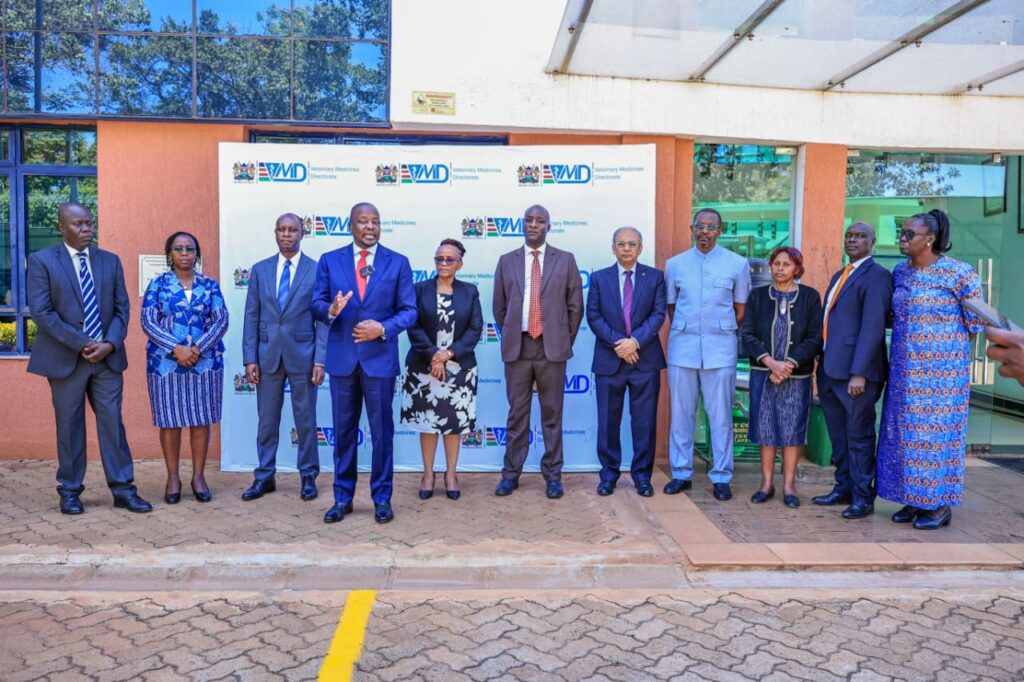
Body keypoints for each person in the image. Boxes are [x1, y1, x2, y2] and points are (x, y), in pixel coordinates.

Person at [26, 202, 152, 515]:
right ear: (61, 226)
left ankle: (123, 489)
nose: (86, 229)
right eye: (78, 224)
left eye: (89, 223)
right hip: (66, 359)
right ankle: (70, 491)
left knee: (112, 425)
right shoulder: (42, 261)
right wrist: (82, 342)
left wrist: (109, 343)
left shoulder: (110, 261)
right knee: (69, 428)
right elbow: (42, 312)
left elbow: (122, 309)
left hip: (107, 361)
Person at [876, 209, 984, 530]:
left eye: (909, 233)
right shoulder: (901, 271)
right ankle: (914, 498)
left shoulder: (959, 273)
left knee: (935, 439)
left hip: (942, 377)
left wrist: (940, 346)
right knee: (904, 436)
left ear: (930, 239)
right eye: (901, 231)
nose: (902, 237)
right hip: (904, 372)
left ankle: (938, 506)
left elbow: (977, 321)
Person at [311, 202, 417, 524]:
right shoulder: (330, 260)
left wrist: (382, 328)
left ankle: (382, 498)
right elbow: (316, 303)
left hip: (379, 362)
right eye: (363, 221)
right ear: (351, 226)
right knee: (344, 433)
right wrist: (331, 310)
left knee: (382, 433)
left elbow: (409, 311)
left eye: (375, 221)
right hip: (342, 361)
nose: (370, 227)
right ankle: (342, 498)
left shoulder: (398, 262)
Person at [492, 204, 584, 499]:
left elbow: (575, 307)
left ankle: (553, 476)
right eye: (529, 220)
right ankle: (510, 475)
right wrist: (512, 335)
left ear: (548, 227)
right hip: (518, 348)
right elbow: (499, 308)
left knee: (552, 414)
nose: (533, 224)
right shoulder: (507, 261)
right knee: (516, 415)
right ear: (523, 225)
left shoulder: (566, 260)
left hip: (551, 348)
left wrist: (561, 339)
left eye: (540, 220)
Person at [663, 208, 751, 501]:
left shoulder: (737, 264)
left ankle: (722, 476)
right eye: (700, 226)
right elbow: (672, 308)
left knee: (721, 416)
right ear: (692, 228)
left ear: (720, 231)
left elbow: (740, 309)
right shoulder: (675, 265)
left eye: (711, 227)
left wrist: (716, 329)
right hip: (683, 349)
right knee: (681, 415)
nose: (705, 231)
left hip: (720, 350)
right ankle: (681, 473)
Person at [241, 213, 327, 502]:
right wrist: (249, 358)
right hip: (267, 356)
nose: (287, 234)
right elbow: (251, 316)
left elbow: (323, 320)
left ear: (302, 233)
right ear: (275, 233)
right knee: (267, 421)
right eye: (282, 230)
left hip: (304, 355)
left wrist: (320, 360)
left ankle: (308, 476)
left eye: (292, 230)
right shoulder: (260, 270)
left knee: (306, 420)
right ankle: (264, 476)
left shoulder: (316, 270)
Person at [812, 222, 893, 519]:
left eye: (860, 236)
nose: (853, 240)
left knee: (859, 437)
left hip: (856, 375)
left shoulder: (877, 276)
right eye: (849, 235)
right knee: (839, 436)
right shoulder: (841, 274)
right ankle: (843, 487)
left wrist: (860, 373)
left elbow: (873, 327)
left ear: (873, 242)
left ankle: (862, 497)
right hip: (831, 370)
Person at [141, 231, 229, 504]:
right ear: (169, 254)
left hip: (205, 363)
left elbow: (221, 320)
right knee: (170, 421)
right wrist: (176, 348)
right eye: (178, 249)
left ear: (197, 254)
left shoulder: (210, 285)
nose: (184, 254)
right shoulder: (158, 285)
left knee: (201, 419)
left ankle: (198, 477)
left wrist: (197, 349)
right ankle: (173, 478)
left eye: (189, 249)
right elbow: (148, 321)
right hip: (166, 364)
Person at [586, 227, 666, 497]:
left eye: (632, 244)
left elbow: (658, 314)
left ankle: (642, 477)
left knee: (644, 423)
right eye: (621, 244)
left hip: (645, 360)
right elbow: (594, 316)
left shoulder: (655, 277)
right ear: (613, 248)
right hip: (610, 361)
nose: (627, 249)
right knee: (608, 423)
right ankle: (608, 476)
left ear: (640, 248)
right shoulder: (599, 278)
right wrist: (620, 344)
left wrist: (636, 342)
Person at [400, 239, 483, 500]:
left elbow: (475, 329)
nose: (443, 263)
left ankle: (451, 474)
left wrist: (447, 354)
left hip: (459, 368)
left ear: (460, 263)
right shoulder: (419, 289)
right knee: (427, 423)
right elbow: (413, 326)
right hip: (424, 368)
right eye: (439, 258)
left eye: (449, 259)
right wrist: (434, 357)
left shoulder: (470, 291)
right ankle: (428, 474)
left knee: (453, 425)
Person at [741, 246, 822, 508]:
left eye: (786, 264)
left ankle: (789, 486)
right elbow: (748, 333)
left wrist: (787, 365)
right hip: (764, 373)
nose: (779, 268)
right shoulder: (757, 296)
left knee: (792, 430)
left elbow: (814, 337)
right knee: (765, 428)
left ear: (797, 268)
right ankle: (766, 484)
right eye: (776, 264)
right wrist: (770, 362)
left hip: (796, 376)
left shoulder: (810, 297)